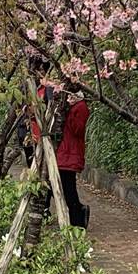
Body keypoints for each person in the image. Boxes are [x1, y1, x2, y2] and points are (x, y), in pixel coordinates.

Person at [55, 88, 91, 228]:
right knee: (66, 187)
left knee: (68, 188)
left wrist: (67, 113)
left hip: (70, 153)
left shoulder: (80, 107)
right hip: (64, 153)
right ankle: (77, 215)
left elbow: (78, 129)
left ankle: (78, 217)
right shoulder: (70, 105)